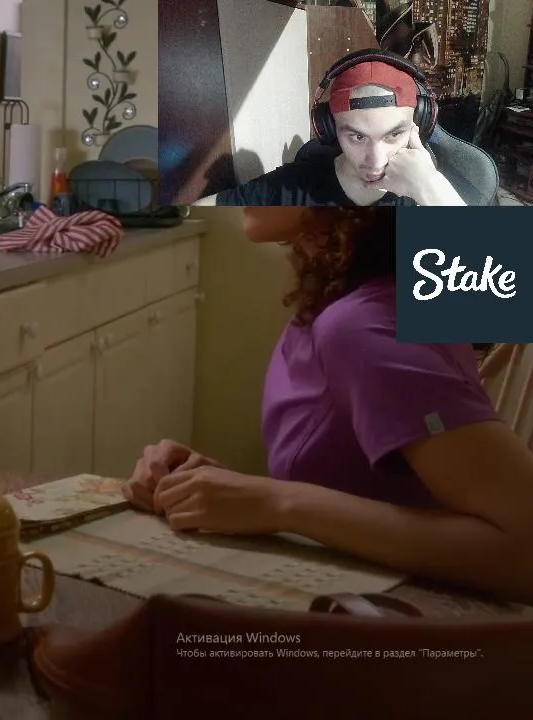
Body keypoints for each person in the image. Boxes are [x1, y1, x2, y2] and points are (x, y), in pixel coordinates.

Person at [123, 207, 533, 602]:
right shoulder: (348, 296)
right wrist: (227, 491)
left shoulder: (361, 325)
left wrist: (279, 503)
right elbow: (377, 490)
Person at [194, 50, 467, 207]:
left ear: (418, 126)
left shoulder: (429, 198)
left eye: (394, 135)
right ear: (328, 127)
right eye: (357, 136)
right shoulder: (296, 185)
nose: (376, 161)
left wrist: (428, 187)